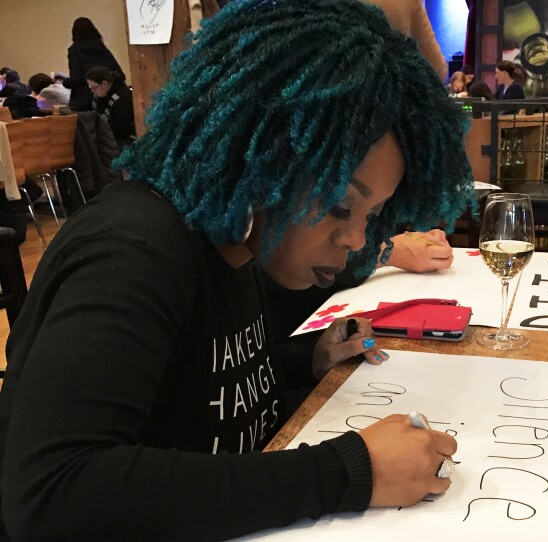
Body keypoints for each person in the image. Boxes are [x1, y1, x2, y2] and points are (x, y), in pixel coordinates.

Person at [0, 1, 475, 540]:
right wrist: (352, 472)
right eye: (343, 207)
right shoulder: (133, 250)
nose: (360, 239)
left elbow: (202, 385)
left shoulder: (240, 247)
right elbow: (49, 496)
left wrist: (304, 359)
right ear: (266, 161)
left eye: (373, 216)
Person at [65, 17, 126, 111]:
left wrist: (64, 82)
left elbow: (76, 79)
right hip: (108, 98)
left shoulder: (75, 51)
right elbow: (120, 75)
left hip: (83, 100)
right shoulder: (102, 48)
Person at [85, 66, 136, 148]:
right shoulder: (100, 95)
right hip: (108, 137)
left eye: (94, 87)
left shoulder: (122, 99)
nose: (92, 91)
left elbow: (122, 130)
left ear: (104, 84)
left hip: (124, 142)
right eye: (90, 88)